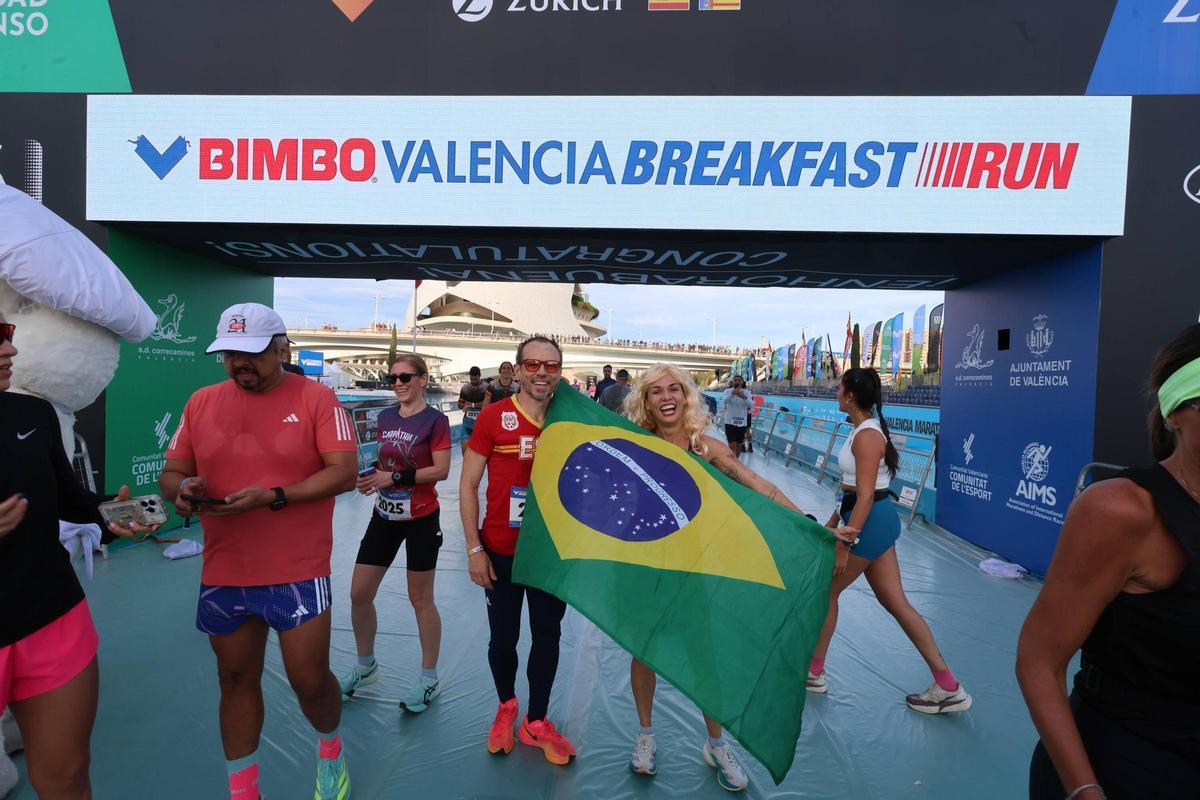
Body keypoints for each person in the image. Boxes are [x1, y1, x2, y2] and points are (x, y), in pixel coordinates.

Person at [623, 364, 857, 792]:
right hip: (649, 567)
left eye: (674, 388)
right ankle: (645, 735)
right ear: (646, 402)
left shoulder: (707, 449)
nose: (666, 396)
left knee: (704, 656)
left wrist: (812, 527)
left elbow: (760, 486)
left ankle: (716, 743)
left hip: (698, 569)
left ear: (686, 397)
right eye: (655, 391)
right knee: (643, 652)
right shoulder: (636, 447)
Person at [159, 303, 358, 800]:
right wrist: (182, 489)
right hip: (225, 567)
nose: (239, 363)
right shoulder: (201, 401)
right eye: (229, 353)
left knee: (310, 682)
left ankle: (330, 748)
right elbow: (170, 473)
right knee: (234, 678)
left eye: (250, 353)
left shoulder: (318, 399)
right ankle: (243, 791)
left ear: (280, 349)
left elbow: (343, 471)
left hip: (296, 568)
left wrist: (274, 495)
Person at [1019, 324, 1200, 799]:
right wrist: (1084, 790)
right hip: (1123, 769)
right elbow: (1039, 661)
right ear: (1176, 412)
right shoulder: (1121, 511)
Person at [0, 314, 152, 800]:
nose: (12, 353)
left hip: (51, 615)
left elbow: (67, 497)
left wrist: (108, 511)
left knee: (67, 775)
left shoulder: (31, 414)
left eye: (7, 336)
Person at [806, 368, 972, 716]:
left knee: (827, 592)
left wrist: (844, 543)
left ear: (849, 395)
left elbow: (865, 496)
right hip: (867, 521)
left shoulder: (867, 436)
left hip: (868, 522)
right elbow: (851, 489)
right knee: (897, 603)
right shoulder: (861, 430)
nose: (835, 393)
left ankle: (813, 673)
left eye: (839, 388)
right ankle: (948, 685)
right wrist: (833, 523)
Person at [460, 336, 577, 766]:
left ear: (560, 372)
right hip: (500, 551)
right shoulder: (494, 417)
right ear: (518, 368)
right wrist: (474, 549)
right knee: (503, 637)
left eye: (551, 365)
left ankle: (537, 720)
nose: (542, 372)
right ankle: (506, 706)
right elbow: (468, 483)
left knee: (547, 637)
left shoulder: (571, 421)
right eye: (533, 364)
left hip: (550, 556)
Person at [339, 353, 451, 714]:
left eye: (405, 377)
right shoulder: (385, 417)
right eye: (393, 378)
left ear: (422, 379)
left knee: (420, 599)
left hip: (421, 518)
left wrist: (396, 477)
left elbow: (442, 470)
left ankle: (429, 676)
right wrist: (372, 476)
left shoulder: (436, 421)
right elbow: (386, 459)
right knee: (359, 593)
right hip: (384, 515)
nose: (398, 383)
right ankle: (365, 665)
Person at [719, 376, 753, 459]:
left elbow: (750, 404)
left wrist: (743, 397)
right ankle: (732, 461)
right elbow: (725, 401)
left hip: (742, 422)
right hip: (729, 421)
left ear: (742, 382)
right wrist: (732, 394)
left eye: (739, 380)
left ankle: (736, 459)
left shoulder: (747, 393)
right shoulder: (727, 391)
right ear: (733, 382)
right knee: (731, 444)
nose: (737, 381)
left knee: (738, 444)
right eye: (735, 380)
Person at [459, 366, 487, 454]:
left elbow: (488, 403)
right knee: (465, 451)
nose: (473, 381)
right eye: (471, 379)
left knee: (480, 454)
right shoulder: (465, 388)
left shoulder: (487, 387)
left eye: (475, 379)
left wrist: (472, 405)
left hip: (481, 426)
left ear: (480, 376)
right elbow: (459, 404)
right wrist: (464, 406)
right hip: (467, 424)